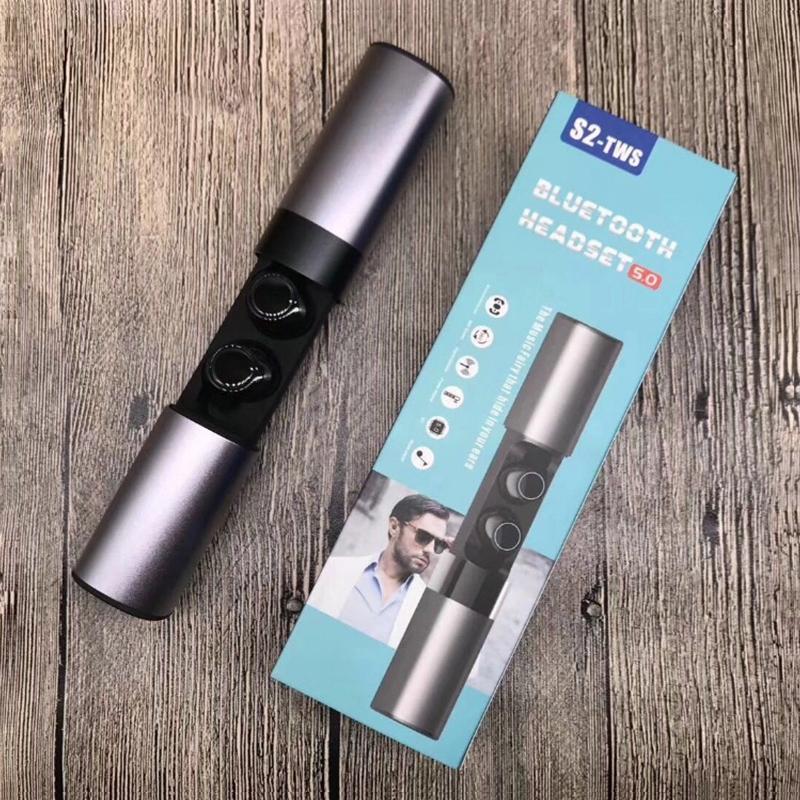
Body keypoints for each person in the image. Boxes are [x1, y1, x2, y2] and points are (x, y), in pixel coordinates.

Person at [308, 494, 451, 646]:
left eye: (438, 544)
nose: (430, 550)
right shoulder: (333, 570)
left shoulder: (425, 608)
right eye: (423, 536)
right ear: (394, 527)